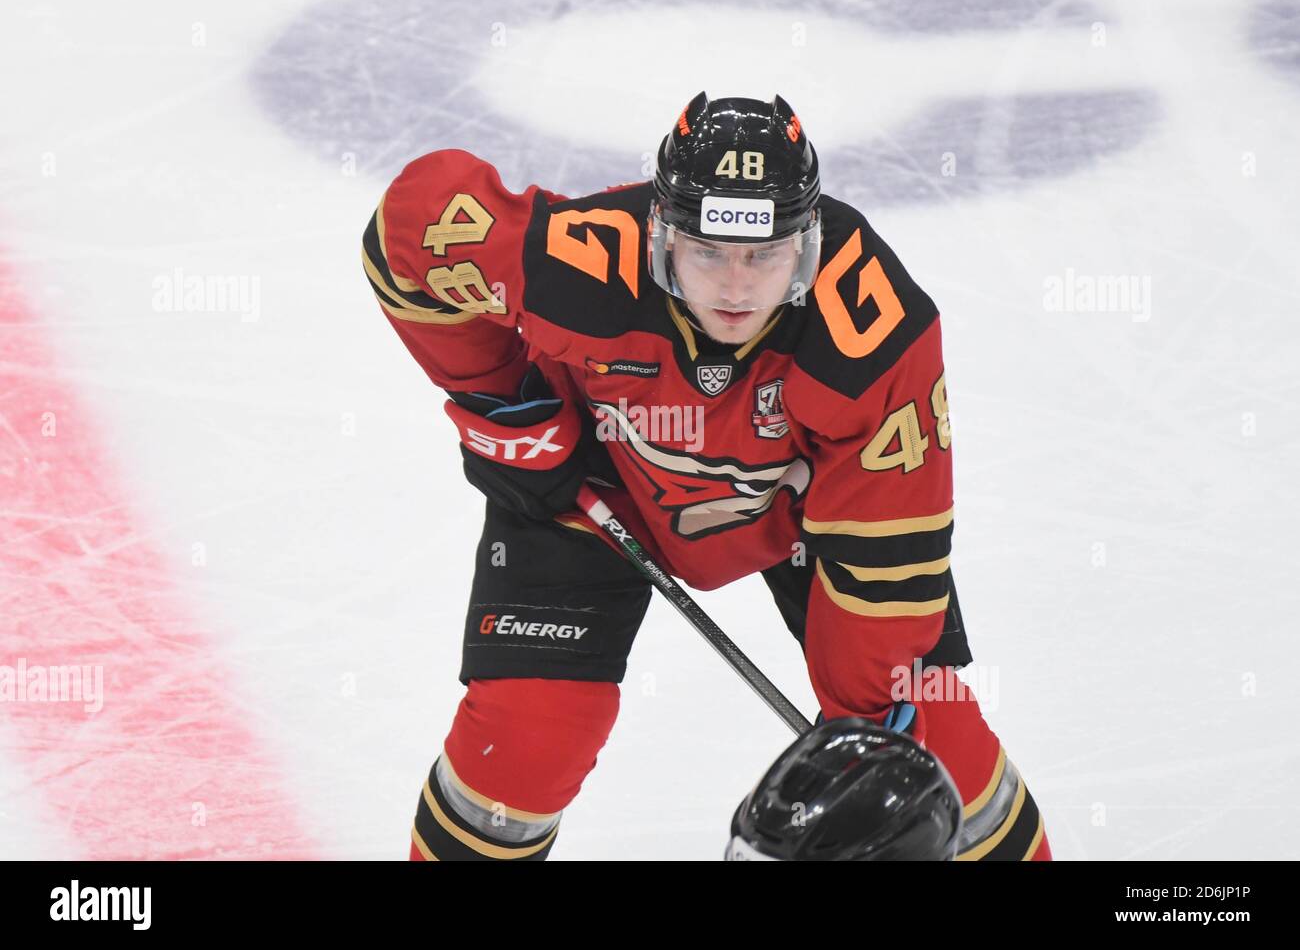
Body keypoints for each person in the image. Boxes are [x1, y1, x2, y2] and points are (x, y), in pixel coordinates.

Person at [362, 91, 1051, 861]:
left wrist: (862, 742)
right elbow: (411, 229)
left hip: (805, 518)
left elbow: (886, 567)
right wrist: (509, 405)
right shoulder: (581, 267)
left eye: (763, 254)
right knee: (522, 749)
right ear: (661, 236)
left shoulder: (873, 336)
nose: (734, 288)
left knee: (940, 749)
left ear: (808, 243)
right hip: (597, 488)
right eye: (709, 252)